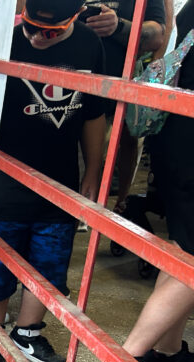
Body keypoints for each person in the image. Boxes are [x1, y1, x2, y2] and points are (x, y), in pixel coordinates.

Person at [0, 0, 106, 362]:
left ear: (73, 18)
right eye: (29, 27)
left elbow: (93, 116)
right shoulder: (0, 42)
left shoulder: (90, 46)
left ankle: (27, 331)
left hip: (59, 182)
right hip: (0, 182)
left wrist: (93, 171)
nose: (36, 37)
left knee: (49, 264)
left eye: (51, 31)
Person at [105, 0, 194, 362]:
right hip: (190, 149)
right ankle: (133, 358)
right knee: (191, 257)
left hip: (176, 141)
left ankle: (169, 349)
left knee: (182, 249)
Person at [79, 0, 166, 211]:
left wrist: (118, 26)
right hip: (76, 79)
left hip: (123, 77)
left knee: (127, 139)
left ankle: (122, 203)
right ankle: (81, 205)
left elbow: (157, 35)